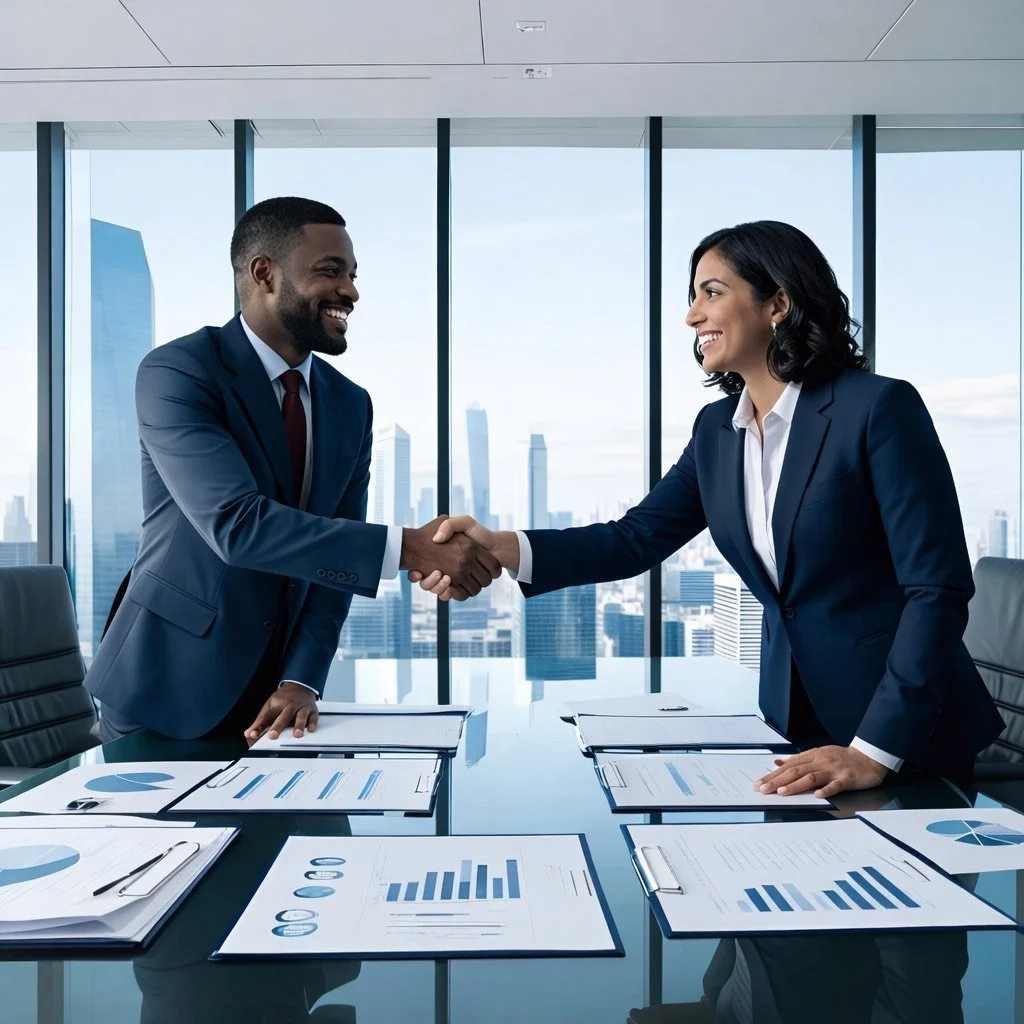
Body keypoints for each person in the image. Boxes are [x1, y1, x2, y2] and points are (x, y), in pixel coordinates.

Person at [412, 220, 1004, 797]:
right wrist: (499, 545)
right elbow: (635, 537)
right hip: (792, 728)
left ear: (778, 303)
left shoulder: (876, 408)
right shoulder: (719, 429)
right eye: (693, 296)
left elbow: (937, 589)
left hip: (906, 739)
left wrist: (873, 749)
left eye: (712, 293)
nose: (693, 314)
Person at [88, 196, 499, 743]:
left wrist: (303, 677)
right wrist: (414, 549)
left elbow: (336, 566)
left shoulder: (351, 404)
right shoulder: (179, 372)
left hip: (281, 704)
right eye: (330, 271)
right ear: (265, 274)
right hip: (165, 687)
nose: (351, 291)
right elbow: (237, 524)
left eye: (353, 275)